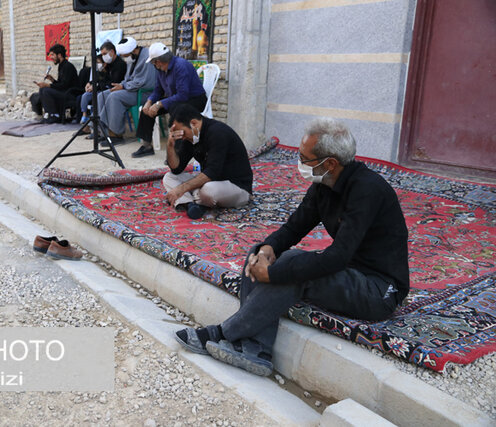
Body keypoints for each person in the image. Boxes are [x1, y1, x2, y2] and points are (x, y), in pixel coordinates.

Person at [175, 118, 410, 376]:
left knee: (293, 265)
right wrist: (267, 249)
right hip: (348, 273)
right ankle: (257, 349)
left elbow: (338, 257)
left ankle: (224, 332)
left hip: (378, 289)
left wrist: (273, 273)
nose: (299, 164)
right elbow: (294, 227)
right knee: (259, 252)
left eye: (304, 158)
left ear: (329, 163)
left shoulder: (368, 190)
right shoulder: (324, 185)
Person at [163, 104, 253, 219]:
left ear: (194, 123)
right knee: (169, 177)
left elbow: (212, 172)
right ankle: (191, 205)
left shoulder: (218, 132)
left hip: (236, 187)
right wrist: (170, 146)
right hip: (209, 182)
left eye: (183, 133)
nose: (183, 137)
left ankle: (191, 200)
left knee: (208, 191)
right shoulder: (192, 135)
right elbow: (176, 169)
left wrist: (181, 189)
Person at [132, 42, 207, 158]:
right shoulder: (161, 70)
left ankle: (178, 152)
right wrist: (149, 102)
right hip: (176, 99)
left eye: (153, 62)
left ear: (158, 61)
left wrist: (160, 104)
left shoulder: (181, 66)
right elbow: (158, 91)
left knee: (176, 111)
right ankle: (147, 146)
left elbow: (183, 95)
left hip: (195, 100)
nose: (153, 65)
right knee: (146, 111)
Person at [96, 36, 156, 143]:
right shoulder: (132, 58)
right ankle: (103, 131)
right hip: (132, 89)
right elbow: (128, 78)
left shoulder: (146, 57)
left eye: (125, 56)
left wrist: (123, 86)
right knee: (103, 95)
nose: (125, 59)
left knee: (115, 97)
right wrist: (121, 85)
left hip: (144, 93)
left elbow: (144, 82)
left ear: (132, 51)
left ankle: (116, 134)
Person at [76, 41, 126, 131]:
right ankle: (90, 125)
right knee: (86, 96)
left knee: (100, 97)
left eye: (105, 54)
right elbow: (101, 79)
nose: (103, 57)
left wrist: (97, 86)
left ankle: (97, 128)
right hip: (103, 89)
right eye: (102, 54)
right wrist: (91, 83)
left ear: (112, 52)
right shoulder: (109, 65)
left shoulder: (120, 64)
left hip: (114, 89)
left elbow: (113, 82)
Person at [35, 43, 79, 124]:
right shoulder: (61, 66)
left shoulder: (68, 66)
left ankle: (56, 115)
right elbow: (60, 83)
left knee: (46, 90)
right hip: (64, 91)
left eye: (52, 55)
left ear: (59, 55)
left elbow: (64, 86)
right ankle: (49, 114)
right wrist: (52, 80)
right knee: (42, 90)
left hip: (70, 94)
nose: (51, 57)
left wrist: (48, 85)